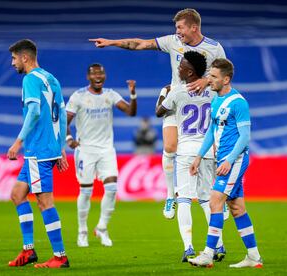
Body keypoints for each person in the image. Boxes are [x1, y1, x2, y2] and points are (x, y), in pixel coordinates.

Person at [89, 8, 226, 220]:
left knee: (213, 149)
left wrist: (207, 80)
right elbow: (140, 43)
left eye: (180, 27)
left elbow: (225, 75)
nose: (177, 32)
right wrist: (112, 42)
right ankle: (171, 195)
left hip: (205, 105)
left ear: (194, 27)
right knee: (170, 146)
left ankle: (217, 197)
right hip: (177, 100)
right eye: (176, 28)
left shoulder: (214, 48)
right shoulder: (172, 41)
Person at [188, 58, 263, 268]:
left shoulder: (238, 102)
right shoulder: (216, 100)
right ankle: (254, 256)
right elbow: (212, 131)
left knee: (214, 201)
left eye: (213, 76)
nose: (208, 79)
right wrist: (198, 156)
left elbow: (245, 136)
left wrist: (229, 160)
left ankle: (208, 254)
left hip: (234, 159)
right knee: (237, 208)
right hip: (222, 159)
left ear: (226, 79)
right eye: (209, 75)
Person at [7, 39, 70, 268]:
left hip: (38, 150)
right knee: (17, 194)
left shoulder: (30, 79)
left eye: (14, 58)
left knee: (45, 203)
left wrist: (17, 142)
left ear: (25, 57)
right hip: (47, 148)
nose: (12, 63)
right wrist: (61, 147)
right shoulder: (51, 79)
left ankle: (60, 256)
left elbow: (33, 112)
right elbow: (61, 115)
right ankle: (28, 250)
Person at [156, 51, 222, 262]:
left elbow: (159, 111)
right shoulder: (213, 93)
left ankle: (188, 248)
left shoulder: (178, 92)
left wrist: (165, 93)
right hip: (207, 152)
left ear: (190, 71)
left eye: (182, 66)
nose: (179, 69)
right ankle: (218, 245)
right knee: (206, 200)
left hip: (186, 153)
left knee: (184, 199)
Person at [66, 63, 137, 247]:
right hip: (86, 150)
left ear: (105, 76)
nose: (98, 76)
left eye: (101, 73)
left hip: (106, 149)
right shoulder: (79, 96)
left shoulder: (110, 95)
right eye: (94, 74)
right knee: (86, 191)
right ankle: (82, 231)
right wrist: (69, 139)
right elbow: (64, 120)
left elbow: (130, 112)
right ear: (88, 77)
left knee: (112, 189)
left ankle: (102, 228)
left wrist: (133, 94)